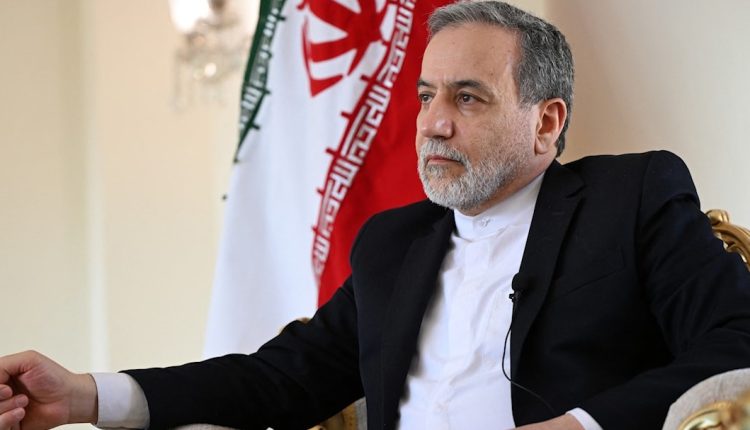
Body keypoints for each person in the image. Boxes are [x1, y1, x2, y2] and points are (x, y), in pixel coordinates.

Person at [2, 1, 750, 429]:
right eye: (426, 96)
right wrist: (83, 395)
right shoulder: (394, 242)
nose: (433, 123)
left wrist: (582, 427)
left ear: (546, 122)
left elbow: (738, 339)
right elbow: (278, 379)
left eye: (468, 97)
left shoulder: (630, 197)